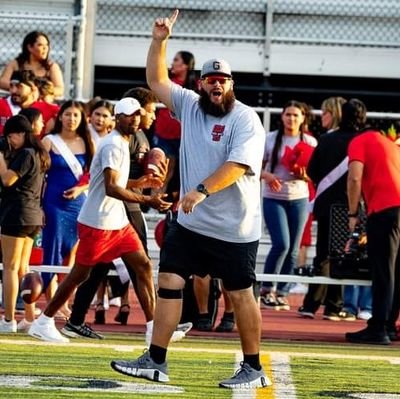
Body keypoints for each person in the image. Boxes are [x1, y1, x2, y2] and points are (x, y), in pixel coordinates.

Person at [110, 10, 271, 389]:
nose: (217, 86)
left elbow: (236, 166)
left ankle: (253, 367)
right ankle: (156, 359)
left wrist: (200, 190)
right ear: (201, 84)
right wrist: (159, 40)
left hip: (233, 226)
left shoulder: (246, 119)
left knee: (240, 292)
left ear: (231, 85)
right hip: (192, 222)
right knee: (168, 278)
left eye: (223, 81)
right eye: (211, 80)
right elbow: (155, 80)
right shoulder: (190, 106)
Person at [28, 97, 164, 343]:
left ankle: (154, 327)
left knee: (143, 265)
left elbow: (112, 183)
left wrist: (140, 183)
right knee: (79, 275)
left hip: (116, 222)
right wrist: (148, 201)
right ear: (117, 118)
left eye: (137, 114)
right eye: (128, 115)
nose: (134, 118)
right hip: (99, 222)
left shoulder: (121, 141)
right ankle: (43, 321)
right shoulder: (113, 144)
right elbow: (112, 188)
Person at [61, 90, 186, 344]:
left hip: (118, 208)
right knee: (113, 268)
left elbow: (123, 179)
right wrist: (147, 195)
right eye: (149, 111)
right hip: (118, 209)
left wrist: (146, 182)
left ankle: (76, 319)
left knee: (120, 267)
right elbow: (113, 183)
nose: (151, 116)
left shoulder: (136, 136)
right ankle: (57, 319)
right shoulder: (124, 139)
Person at [298, 98, 367, 321]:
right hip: (348, 206)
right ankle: (333, 306)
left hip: (325, 202)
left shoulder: (326, 140)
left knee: (322, 255)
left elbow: (313, 171)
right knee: (340, 256)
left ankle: (311, 304)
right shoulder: (362, 140)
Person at [259, 100, 317, 310]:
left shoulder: (310, 142)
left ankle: (282, 291)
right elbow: (253, 168)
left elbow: (315, 175)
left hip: (299, 198)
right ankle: (266, 289)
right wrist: (267, 175)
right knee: (281, 244)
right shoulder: (270, 139)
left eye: (296, 115)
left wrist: (305, 175)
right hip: (274, 198)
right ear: (282, 116)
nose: (291, 119)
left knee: (293, 248)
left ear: (303, 118)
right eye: (288, 114)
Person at [345, 129, 400, 344]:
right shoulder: (388, 144)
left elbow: (354, 177)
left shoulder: (359, 141)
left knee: (383, 271)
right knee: (396, 271)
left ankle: (378, 328)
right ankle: (387, 325)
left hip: (384, 210)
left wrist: (352, 213)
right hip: (396, 207)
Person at [40, 100, 94, 319]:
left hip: (78, 204)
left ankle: (63, 301)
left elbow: (94, 175)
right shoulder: (49, 141)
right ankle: (51, 302)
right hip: (53, 202)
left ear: (81, 120)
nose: (71, 119)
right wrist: (40, 206)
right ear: (60, 116)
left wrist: (81, 188)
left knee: (72, 254)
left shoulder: (87, 142)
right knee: (52, 250)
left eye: (76, 115)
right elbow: (40, 176)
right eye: (68, 114)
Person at [0, 115, 50, 333]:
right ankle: (29, 317)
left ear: (21, 134)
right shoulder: (39, 154)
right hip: (32, 215)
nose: (10, 141)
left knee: (10, 267)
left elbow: (7, 179)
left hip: (16, 214)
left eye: (11, 136)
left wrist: (0, 157)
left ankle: (8, 319)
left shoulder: (26, 153)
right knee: (22, 268)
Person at [153, 50, 197, 202]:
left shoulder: (195, 86)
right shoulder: (167, 83)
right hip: (163, 134)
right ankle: (154, 203)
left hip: (185, 135)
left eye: (176, 60)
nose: (172, 63)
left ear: (185, 65)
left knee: (187, 172)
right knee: (162, 171)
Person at [0, 31, 64, 98]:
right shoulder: (16, 64)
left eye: (47, 45)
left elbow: (60, 89)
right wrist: (22, 88)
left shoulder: (51, 66)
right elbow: (2, 82)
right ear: (30, 47)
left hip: (41, 103)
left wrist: (44, 90)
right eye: (40, 45)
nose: (45, 48)